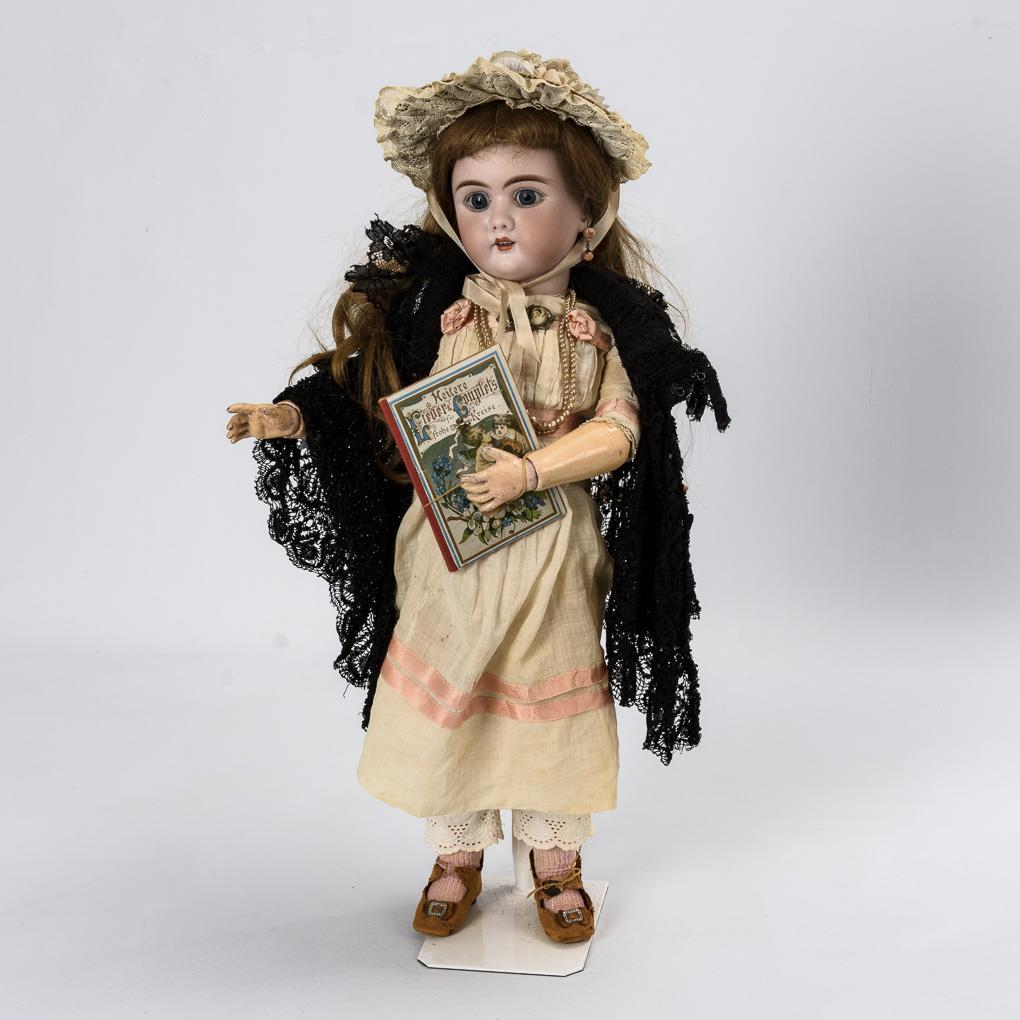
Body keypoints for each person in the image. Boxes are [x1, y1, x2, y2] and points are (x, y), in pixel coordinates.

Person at [226, 50, 730, 944]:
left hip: (551, 551)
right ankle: (456, 854)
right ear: (447, 211)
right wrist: (292, 418)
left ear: (589, 213)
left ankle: (554, 860)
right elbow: (367, 394)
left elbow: (619, 430)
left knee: (549, 700)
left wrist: (531, 471)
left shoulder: (600, 330)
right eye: (476, 197)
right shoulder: (438, 313)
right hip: (448, 551)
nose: (499, 218)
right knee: (453, 690)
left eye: (527, 194)